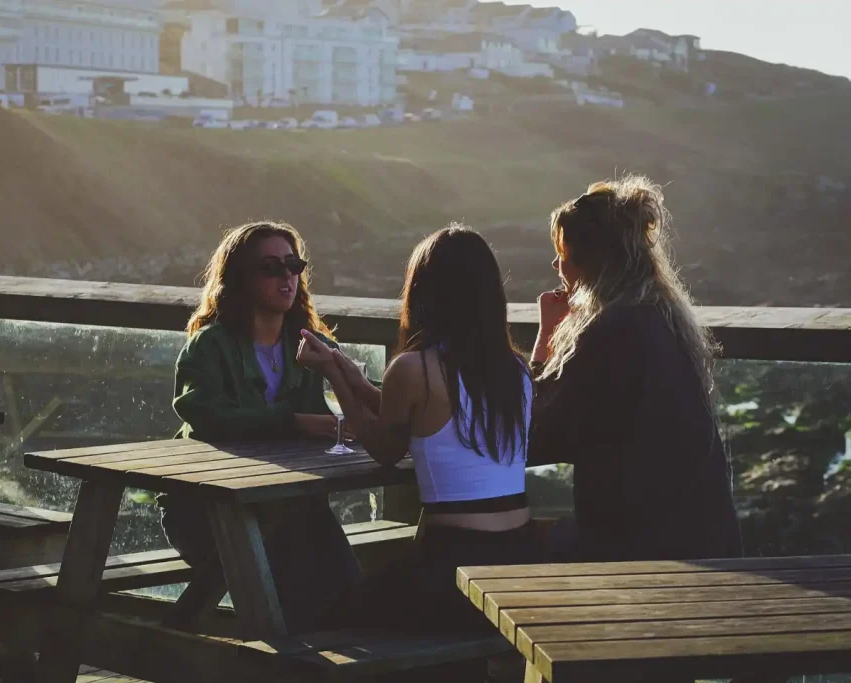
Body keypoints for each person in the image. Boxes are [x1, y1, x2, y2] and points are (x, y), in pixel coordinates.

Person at [297, 224, 541, 635]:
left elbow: (385, 448)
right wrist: (352, 377)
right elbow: (430, 421)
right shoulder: (514, 369)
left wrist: (330, 374)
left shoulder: (416, 367)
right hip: (520, 555)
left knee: (326, 622)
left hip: (455, 566)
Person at [157, 221, 361, 632]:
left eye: (293, 265)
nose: (286, 276)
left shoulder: (309, 343)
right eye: (270, 268)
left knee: (340, 591)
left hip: (292, 508)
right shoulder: (210, 346)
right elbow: (203, 412)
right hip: (210, 511)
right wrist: (294, 422)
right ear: (239, 279)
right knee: (307, 586)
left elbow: (360, 390)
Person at [529, 175, 742, 562]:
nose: (555, 264)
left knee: (502, 545)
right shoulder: (664, 318)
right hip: (703, 539)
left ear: (587, 262)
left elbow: (541, 430)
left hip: (643, 550)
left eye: (562, 253)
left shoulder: (610, 331)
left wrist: (546, 334)